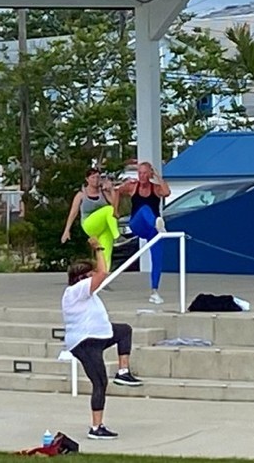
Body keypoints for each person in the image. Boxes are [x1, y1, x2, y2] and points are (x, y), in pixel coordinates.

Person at [61, 236, 143, 439]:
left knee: (124, 330)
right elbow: (103, 272)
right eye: (90, 275)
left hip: (99, 335)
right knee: (99, 382)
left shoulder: (86, 294)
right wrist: (98, 248)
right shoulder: (76, 290)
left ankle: (123, 371)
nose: (95, 278)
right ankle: (96, 428)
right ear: (82, 277)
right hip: (85, 342)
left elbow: (100, 274)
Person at [117, 160, 170, 304]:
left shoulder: (156, 188)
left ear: (150, 174)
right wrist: (115, 210)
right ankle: (156, 223)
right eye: (140, 173)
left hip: (152, 230)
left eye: (145, 173)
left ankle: (155, 291)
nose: (142, 176)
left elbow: (167, 192)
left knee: (157, 258)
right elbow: (117, 191)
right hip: (137, 223)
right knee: (145, 209)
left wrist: (158, 176)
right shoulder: (133, 186)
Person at [61, 168, 119, 270]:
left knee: (105, 252)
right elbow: (73, 212)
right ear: (87, 179)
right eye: (93, 178)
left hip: (104, 226)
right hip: (89, 223)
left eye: (98, 177)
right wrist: (67, 230)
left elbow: (115, 206)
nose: (96, 180)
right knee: (108, 209)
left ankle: (103, 277)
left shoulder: (103, 192)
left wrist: (111, 190)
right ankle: (117, 236)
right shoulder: (81, 195)